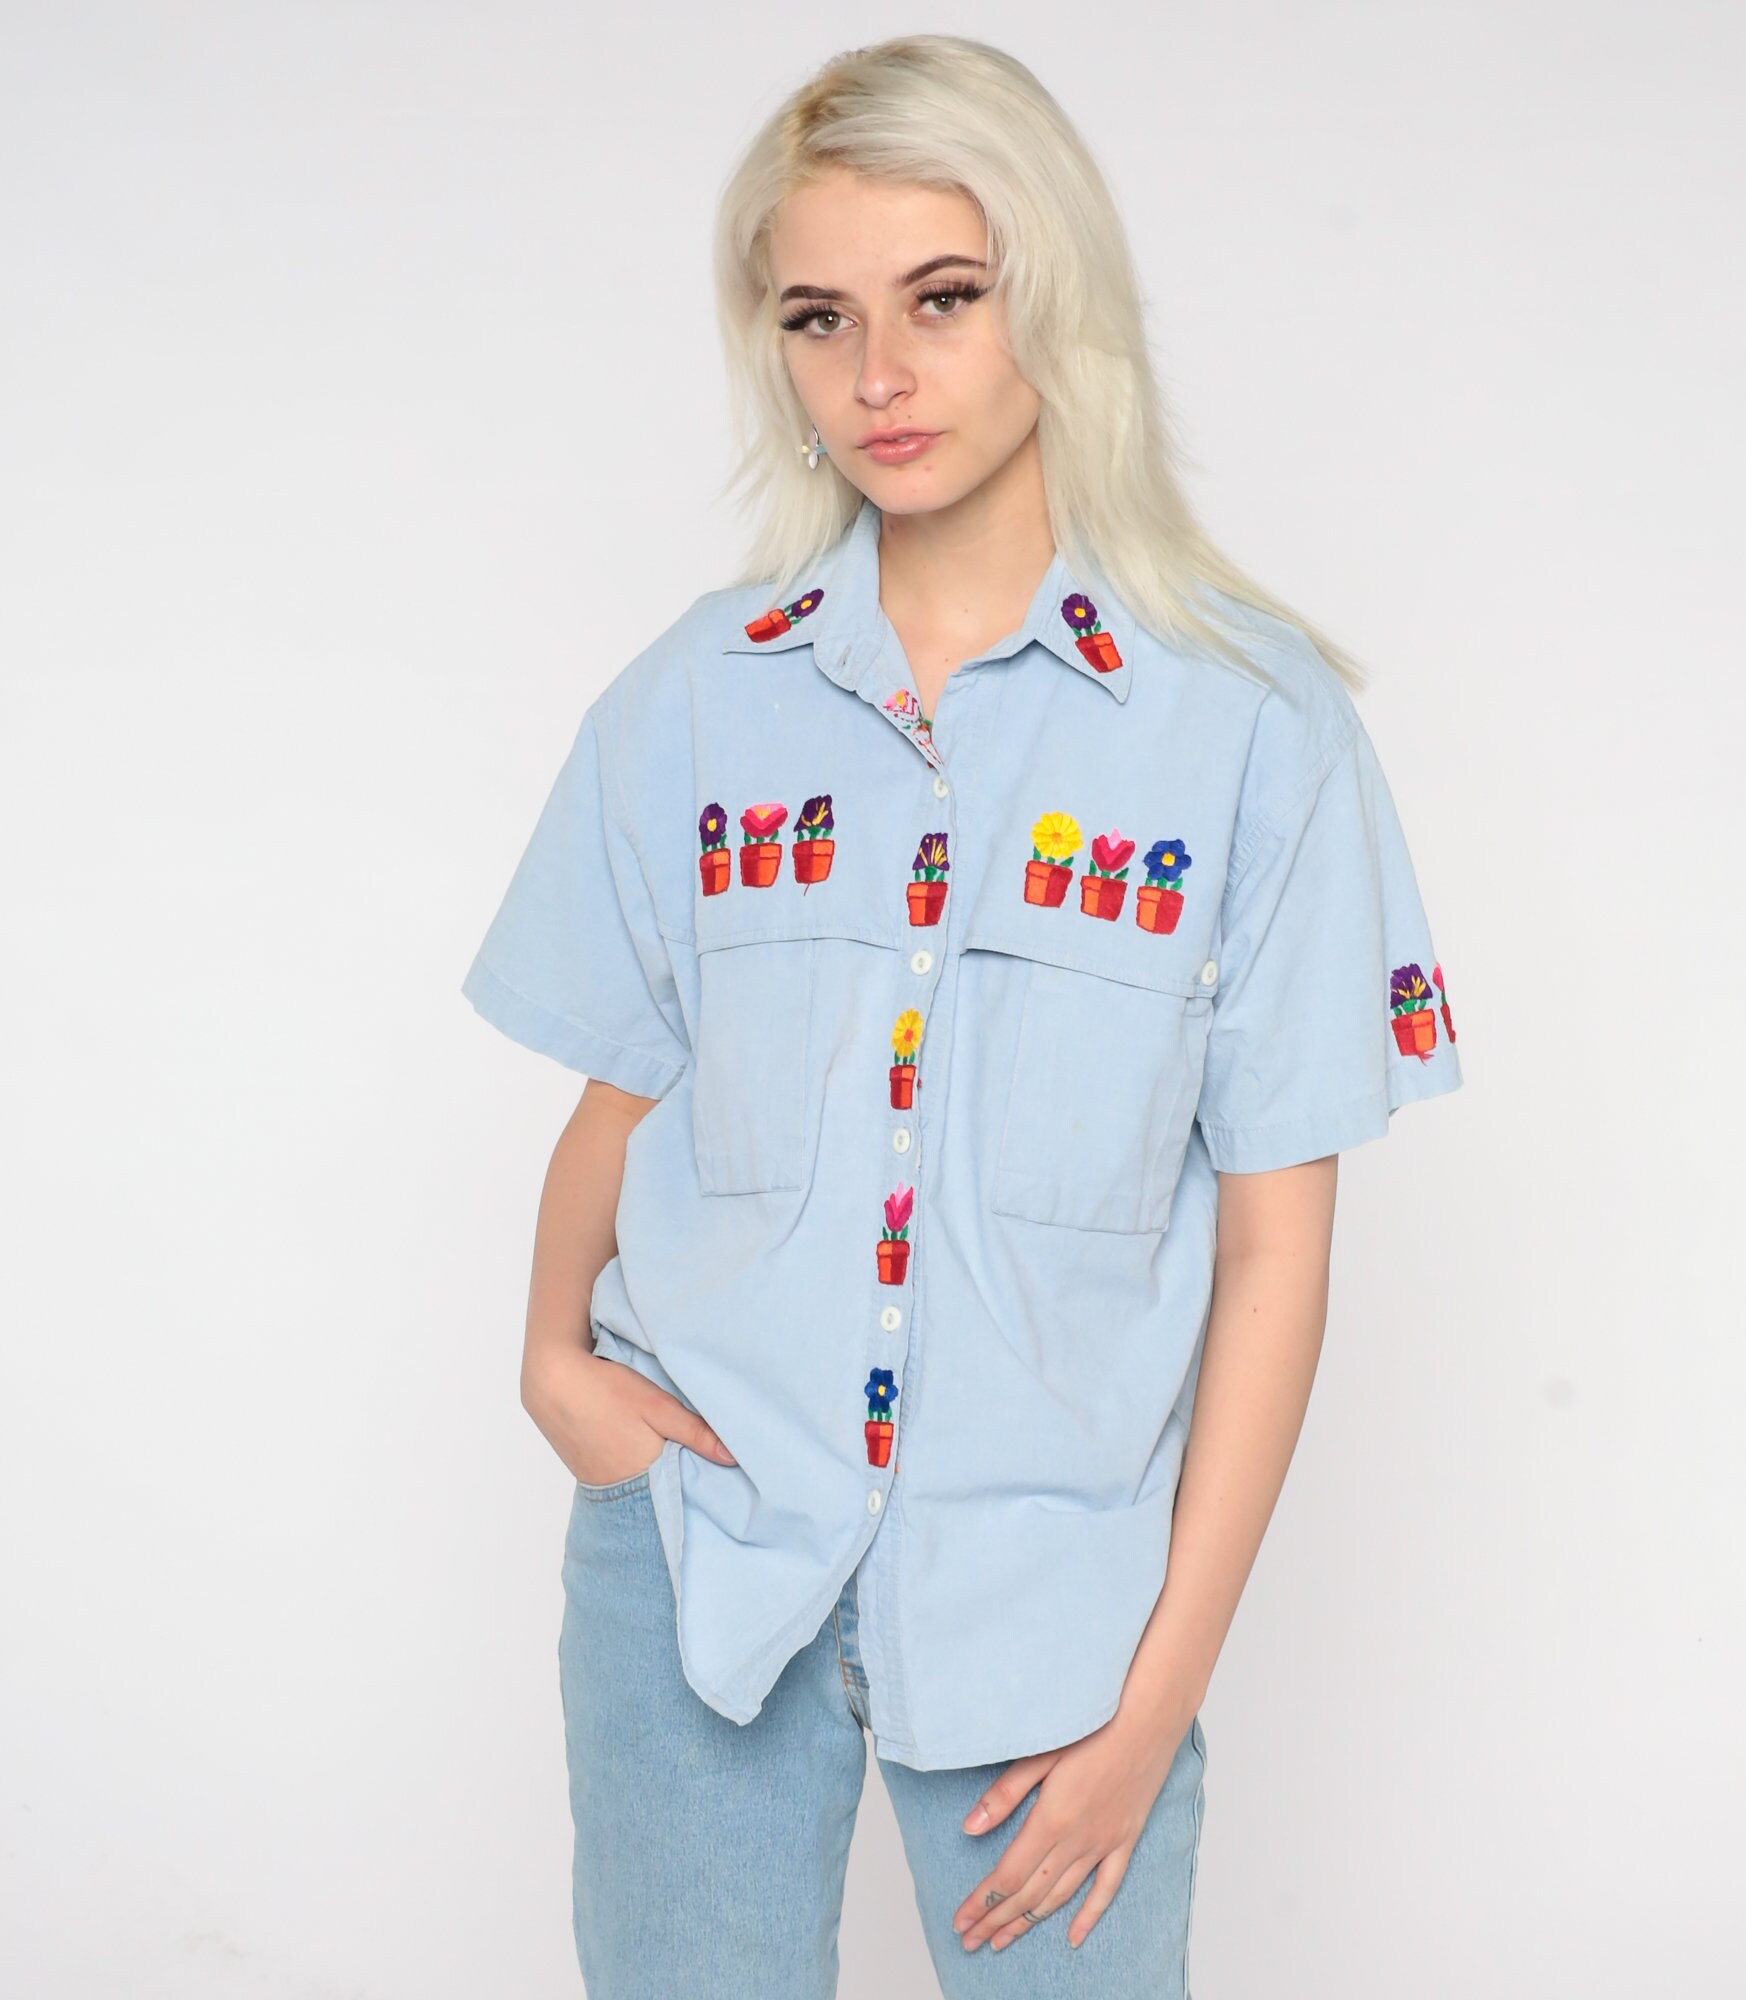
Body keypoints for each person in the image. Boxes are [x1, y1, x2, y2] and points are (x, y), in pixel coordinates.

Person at [460, 32, 1463, 1999]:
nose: (877, 377)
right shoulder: (692, 701)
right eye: (816, 317)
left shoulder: (1252, 729)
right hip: (696, 1561)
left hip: (1061, 1614)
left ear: (1054, 301)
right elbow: (620, 1094)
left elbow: (1276, 1248)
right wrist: (552, 1363)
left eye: (942, 297)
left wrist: (1151, 1706)